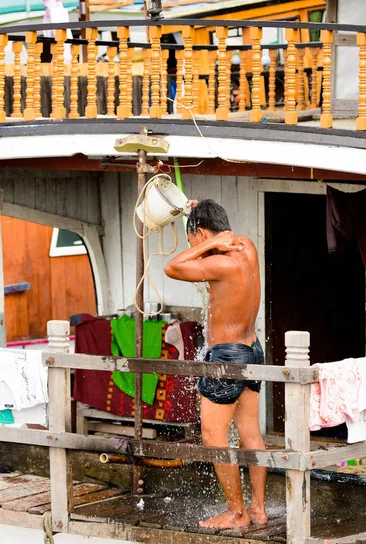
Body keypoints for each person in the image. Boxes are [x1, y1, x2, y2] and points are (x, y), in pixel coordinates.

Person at [164, 199, 267, 530]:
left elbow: (172, 267)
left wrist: (206, 243)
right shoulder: (247, 246)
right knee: (250, 432)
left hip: (228, 356)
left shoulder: (221, 262)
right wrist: (200, 220)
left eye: (194, 238)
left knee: (213, 434)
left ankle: (237, 513)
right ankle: (259, 509)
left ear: (203, 234)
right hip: (252, 348)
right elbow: (209, 231)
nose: (194, 247)